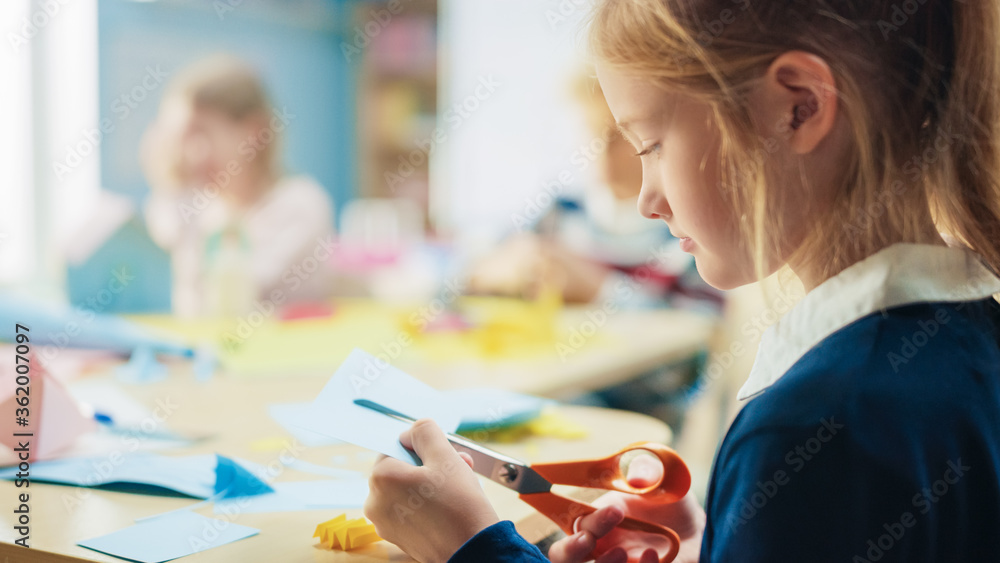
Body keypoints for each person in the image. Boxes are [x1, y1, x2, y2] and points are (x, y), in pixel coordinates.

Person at [363, 1, 1000, 562]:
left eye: (651, 146)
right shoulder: (967, 344)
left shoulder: (812, 427)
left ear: (797, 108)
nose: (647, 199)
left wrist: (474, 549)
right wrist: (723, 541)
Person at [468, 74, 718, 311]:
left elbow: (703, 322)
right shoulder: (560, 213)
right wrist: (506, 269)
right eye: (590, 131)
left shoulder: (680, 233)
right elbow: (468, 275)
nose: (600, 148)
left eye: (617, 136)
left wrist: (598, 288)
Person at [141, 54, 335, 317]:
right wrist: (169, 177)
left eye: (201, 132)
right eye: (181, 138)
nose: (191, 153)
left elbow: (230, 298)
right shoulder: (191, 205)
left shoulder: (299, 204)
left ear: (253, 132)